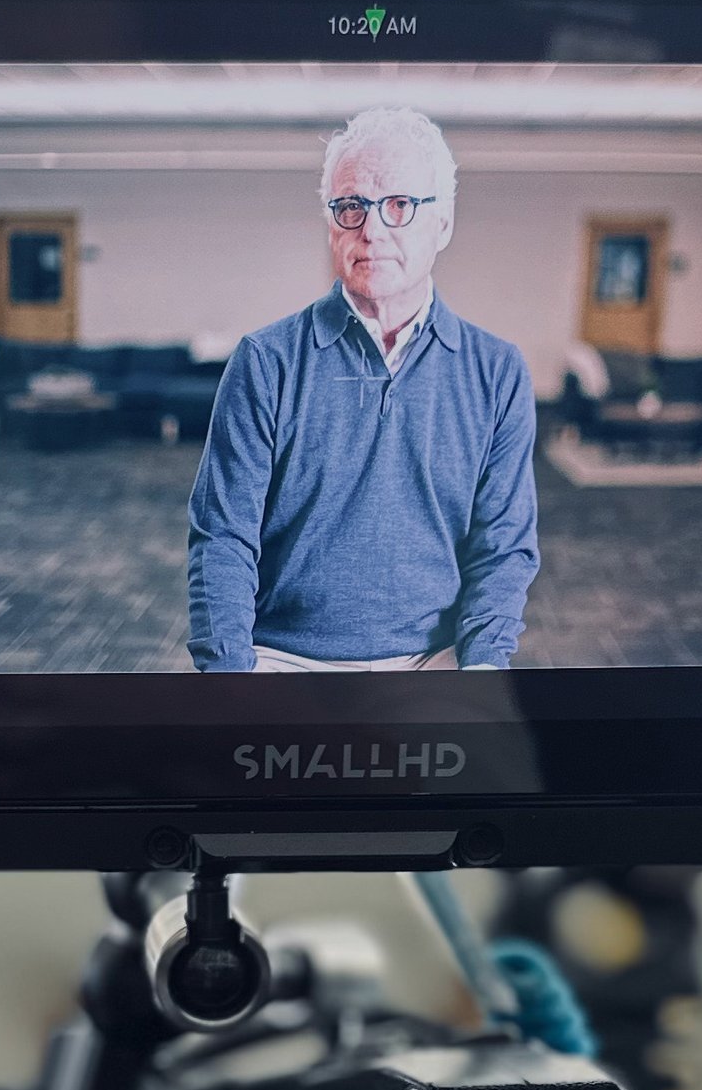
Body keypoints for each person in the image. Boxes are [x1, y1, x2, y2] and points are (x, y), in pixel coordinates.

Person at [186, 103, 538, 671]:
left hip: (434, 658)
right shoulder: (265, 361)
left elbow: (503, 549)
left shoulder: (497, 371)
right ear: (332, 224)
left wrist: (481, 671)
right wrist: (230, 678)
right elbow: (221, 538)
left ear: (443, 224)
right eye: (351, 207)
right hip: (283, 657)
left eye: (399, 205)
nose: (371, 230)